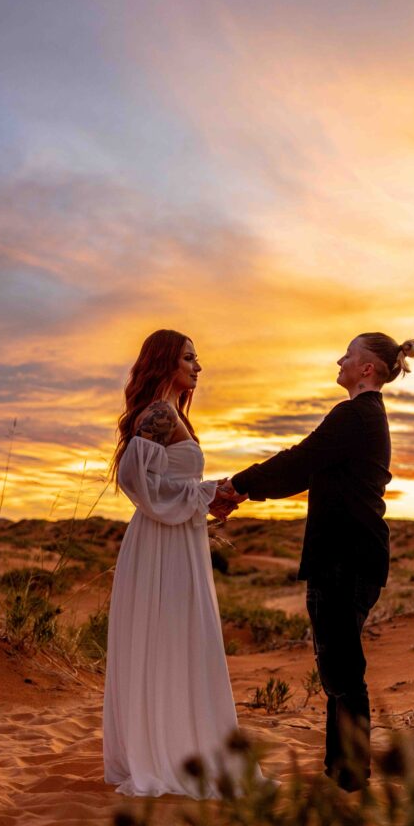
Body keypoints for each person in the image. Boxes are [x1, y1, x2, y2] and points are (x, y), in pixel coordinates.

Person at [223, 332, 414, 791]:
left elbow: (299, 460)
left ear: (367, 368)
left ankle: (351, 776)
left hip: (344, 557)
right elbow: (307, 471)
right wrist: (247, 488)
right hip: (352, 555)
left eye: (348, 355)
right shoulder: (365, 418)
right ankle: (342, 770)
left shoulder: (355, 414)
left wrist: (237, 483)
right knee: (339, 668)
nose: (340, 359)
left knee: (342, 670)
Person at [102, 329, 251, 799]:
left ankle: (177, 742)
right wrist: (203, 494)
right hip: (161, 544)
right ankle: (162, 751)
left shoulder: (168, 415)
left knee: (180, 638)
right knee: (168, 636)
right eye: (189, 357)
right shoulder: (159, 414)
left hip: (177, 539)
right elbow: (133, 479)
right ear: (165, 362)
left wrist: (209, 495)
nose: (197, 366)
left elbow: (166, 480)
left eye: (197, 357)